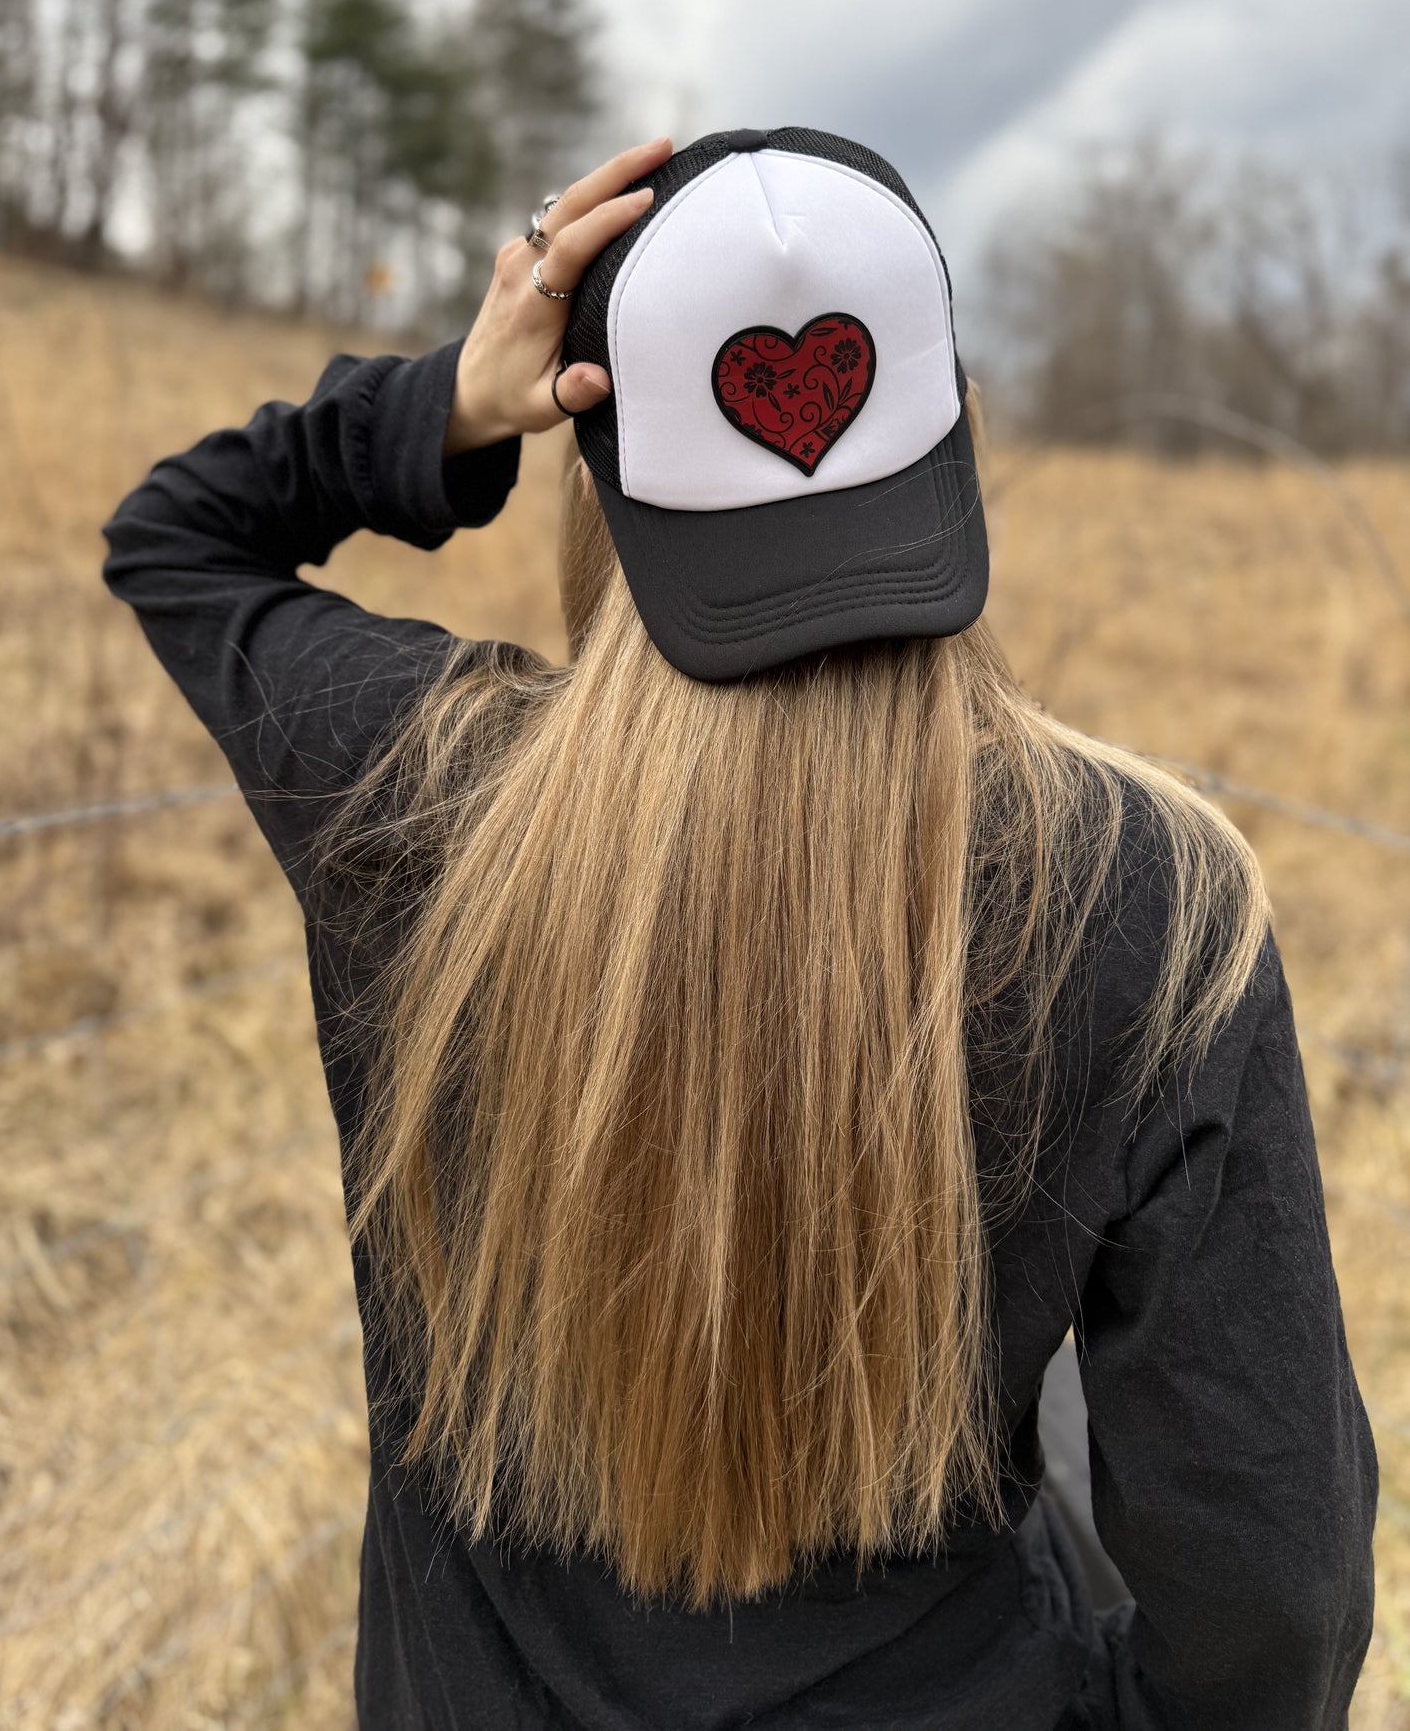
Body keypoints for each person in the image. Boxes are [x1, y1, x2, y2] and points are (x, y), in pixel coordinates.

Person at [103, 128, 1376, 1731]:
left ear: (598, 467)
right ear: (960, 435)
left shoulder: (413, 795)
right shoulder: (1151, 902)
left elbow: (176, 535)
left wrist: (442, 409)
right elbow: (1274, 1578)